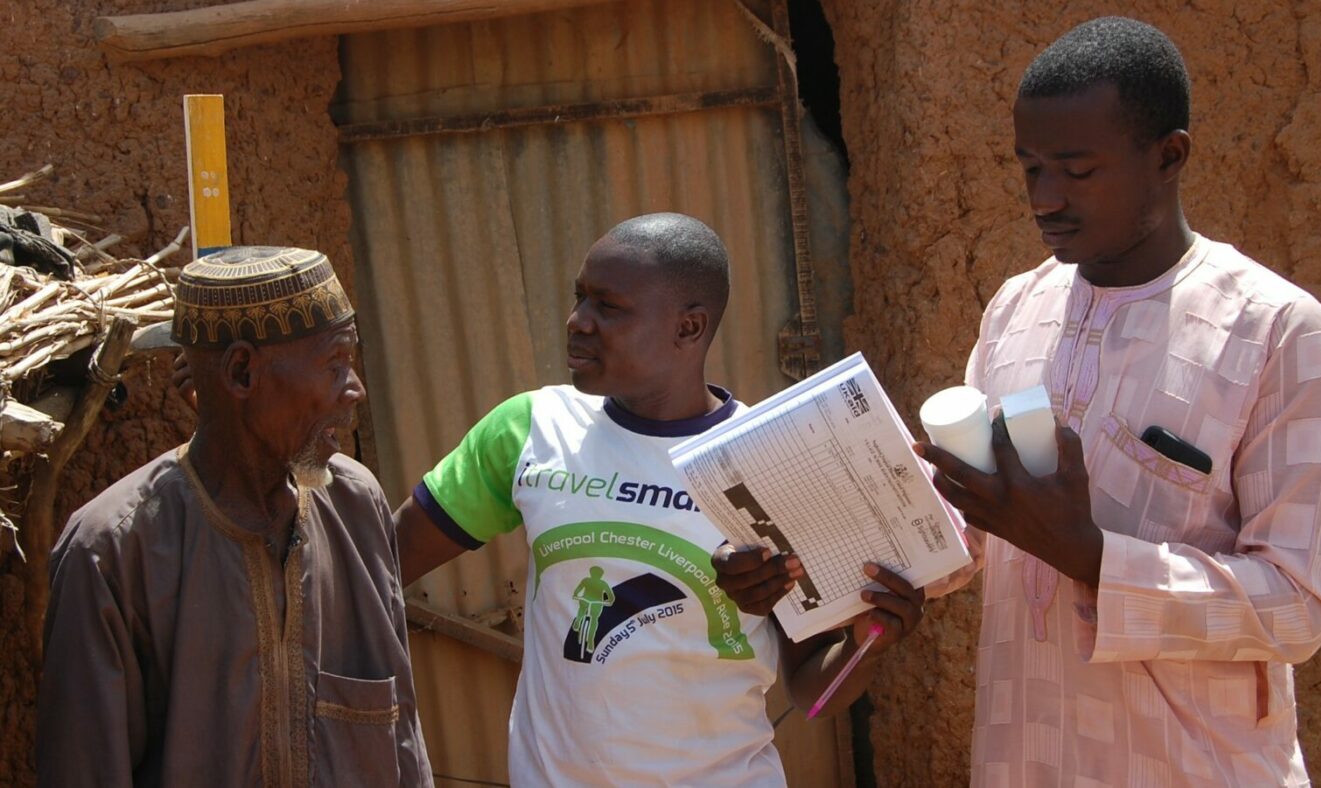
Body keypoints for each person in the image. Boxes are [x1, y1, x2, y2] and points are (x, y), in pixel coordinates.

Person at [914, 17, 1321, 786]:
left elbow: (1295, 609)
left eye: (1077, 171)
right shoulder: (1016, 309)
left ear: (1168, 156)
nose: (1044, 199)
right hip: (1024, 761)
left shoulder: (1274, 329)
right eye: (1030, 168)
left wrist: (1090, 556)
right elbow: (966, 542)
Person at [393, 213, 925, 785]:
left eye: (608, 306)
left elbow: (812, 697)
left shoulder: (770, 463)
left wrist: (870, 641)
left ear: (688, 329)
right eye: (579, 299)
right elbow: (377, 567)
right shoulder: (529, 431)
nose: (578, 322)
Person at [38, 247, 432, 786]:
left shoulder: (356, 507)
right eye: (335, 364)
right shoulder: (111, 552)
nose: (356, 388)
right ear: (243, 371)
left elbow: (402, 745)